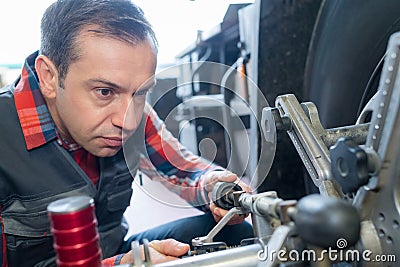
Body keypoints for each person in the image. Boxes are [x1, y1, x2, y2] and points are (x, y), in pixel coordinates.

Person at [0, 0, 253, 266]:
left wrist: (214, 187)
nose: (128, 121)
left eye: (140, 92)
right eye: (105, 92)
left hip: (112, 251)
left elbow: (182, 171)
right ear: (49, 77)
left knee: (235, 234)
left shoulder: (131, 115)